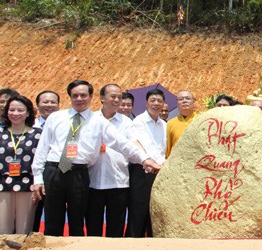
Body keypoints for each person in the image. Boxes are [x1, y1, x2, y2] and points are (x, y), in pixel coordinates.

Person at [31, 80, 159, 237]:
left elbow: (122, 143)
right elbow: (43, 148)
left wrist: (144, 159)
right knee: (53, 219)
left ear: (91, 96)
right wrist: (38, 177)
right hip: (54, 171)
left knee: (77, 220)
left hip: (79, 173)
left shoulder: (99, 122)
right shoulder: (56, 118)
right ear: (70, 97)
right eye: (75, 95)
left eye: (83, 95)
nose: (79, 99)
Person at [86, 84, 132, 237]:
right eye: (113, 96)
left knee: (116, 226)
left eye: (119, 97)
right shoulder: (89, 120)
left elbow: (133, 147)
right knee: (93, 225)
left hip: (118, 181)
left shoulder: (127, 123)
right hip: (93, 181)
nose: (117, 100)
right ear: (102, 98)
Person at [126, 89, 167, 237]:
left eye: (159, 101)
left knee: (154, 212)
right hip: (142, 171)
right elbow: (145, 145)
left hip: (158, 172)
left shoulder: (163, 124)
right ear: (146, 102)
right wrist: (162, 164)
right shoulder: (139, 122)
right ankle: (132, 245)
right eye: (153, 100)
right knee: (138, 211)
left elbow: (163, 148)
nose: (156, 104)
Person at [0, 96, 42, 234]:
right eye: (12, 110)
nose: (15, 113)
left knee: (24, 229)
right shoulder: (1, 134)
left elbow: (41, 160)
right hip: (2, 184)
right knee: (3, 228)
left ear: (28, 113)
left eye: (20, 110)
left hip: (27, 184)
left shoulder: (37, 134)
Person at [32, 90, 61, 232]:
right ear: (38, 105)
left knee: (53, 215)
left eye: (53, 102)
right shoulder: (29, 126)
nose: (49, 105)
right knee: (32, 216)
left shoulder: (63, 125)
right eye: (45, 102)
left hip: (55, 176)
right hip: (31, 178)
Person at [166, 90, 197, 158]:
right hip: (177, 162)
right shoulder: (170, 123)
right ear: (177, 103)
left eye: (188, 98)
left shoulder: (201, 119)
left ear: (193, 102)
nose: (184, 101)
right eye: (180, 99)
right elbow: (167, 149)